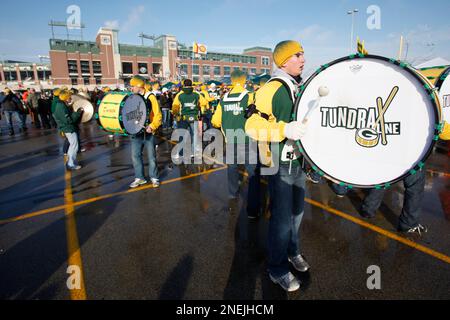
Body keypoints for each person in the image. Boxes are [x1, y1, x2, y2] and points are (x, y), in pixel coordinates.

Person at [245, 40, 310, 292]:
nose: (303, 59)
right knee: (281, 220)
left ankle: (293, 252)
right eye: (298, 55)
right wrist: (284, 129)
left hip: (297, 162)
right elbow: (251, 126)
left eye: (303, 54)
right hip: (279, 163)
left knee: (297, 214)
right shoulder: (271, 88)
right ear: (283, 61)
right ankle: (277, 268)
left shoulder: (299, 86)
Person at [359, 121, 450, 235]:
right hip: (414, 150)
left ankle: (368, 209)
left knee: (382, 178)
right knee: (414, 188)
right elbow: (445, 133)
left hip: (389, 144)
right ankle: (408, 224)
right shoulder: (432, 102)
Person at [212, 70, 261, 219]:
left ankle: (232, 194)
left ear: (232, 81)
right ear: (245, 80)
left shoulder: (223, 98)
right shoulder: (250, 96)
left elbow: (215, 121)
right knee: (252, 174)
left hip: (231, 139)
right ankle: (252, 210)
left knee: (232, 168)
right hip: (248, 139)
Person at [128, 75, 162, 189]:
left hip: (148, 132)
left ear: (139, 86)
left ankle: (154, 177)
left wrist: (152, 126)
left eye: (133, 86)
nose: (131, 88)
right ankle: (140, 178)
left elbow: (158, 114)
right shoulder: (132, 97)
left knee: (151, 157)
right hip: (135, 133)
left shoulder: (150, 97)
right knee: (135, 156)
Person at [172, 79, 208, 159]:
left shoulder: (180, 94)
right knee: (194, 136)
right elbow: (204, 102)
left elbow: (175, 106)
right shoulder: (196, 93)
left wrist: (175, 114)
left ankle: (181, 154)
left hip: (183, 118)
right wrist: (200, 110)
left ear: (184, 85)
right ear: (191, 85)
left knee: (182, 135)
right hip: (194, 116)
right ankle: (194, 153)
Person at [52, 90, 83, 170]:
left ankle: (70, 162)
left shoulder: (60, 104)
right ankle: (70, 164)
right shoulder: (61, 106)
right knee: (74, 147)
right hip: (68, 129)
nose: (70, 99)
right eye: (69, 97)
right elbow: (68, 120)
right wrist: (78, 113)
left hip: (67, 128)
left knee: (72, 146)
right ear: (65, 98)